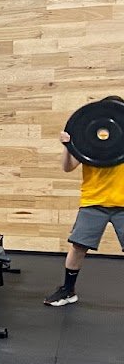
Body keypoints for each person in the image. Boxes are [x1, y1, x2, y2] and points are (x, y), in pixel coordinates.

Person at [43, 113, 124, 306]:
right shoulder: (90, 141)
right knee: (78, 246)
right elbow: (68, 167)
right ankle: (68, 291)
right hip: (93, 202)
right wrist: (67, 146)